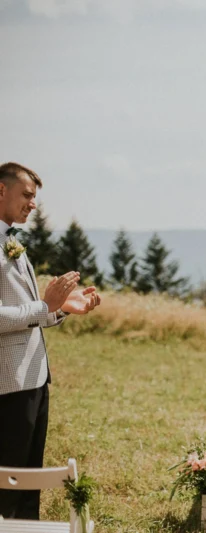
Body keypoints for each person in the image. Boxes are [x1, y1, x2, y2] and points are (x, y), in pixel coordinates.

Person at [0, 162, 102, 519]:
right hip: (7, 384)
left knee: (28, 481)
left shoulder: (11, 240)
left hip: (33, 379)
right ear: (1, 190)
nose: (32, 204)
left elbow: (30, 312)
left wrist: (63, 309)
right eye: (27, 195)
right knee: (7, 483)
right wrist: (45, 305)